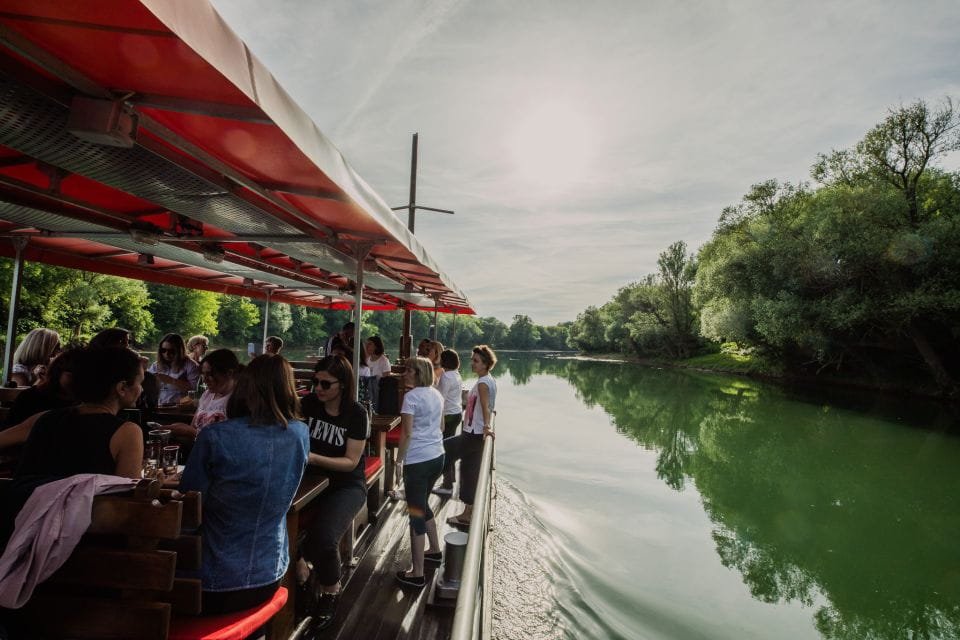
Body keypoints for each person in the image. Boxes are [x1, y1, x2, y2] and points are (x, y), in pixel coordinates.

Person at [179, 355, 308, 615]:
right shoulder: (299, 434)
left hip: (211, 583)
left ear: (245, 387)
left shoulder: (214, 436)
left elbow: (188, 507)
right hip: (271, 573)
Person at [0, 347, 146, 544]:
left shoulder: (44, 419)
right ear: (121, 388)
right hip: (87, 547)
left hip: (20, 536)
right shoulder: (127, 433)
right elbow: (125, 503)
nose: (142, 390)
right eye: (140, 382)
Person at [298, 355, 369, 630]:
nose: (318, 388)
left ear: (343, 385)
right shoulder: (306, 405)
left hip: (346, 485)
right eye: (315, 382)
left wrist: (312, 457)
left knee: (325, 539)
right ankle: (301, 566)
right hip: (309, 480)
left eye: (326, 384)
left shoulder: (356, 413)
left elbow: (351, 461)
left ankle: (330, 589)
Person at [395, 356, 445, 588]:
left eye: (408, 370)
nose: (404, 373)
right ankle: (434, 550)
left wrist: (398, 461)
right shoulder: (437, 395)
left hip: (417, 461)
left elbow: (406, 434)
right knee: (422, 505)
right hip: (438, 456)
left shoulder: (411, 397)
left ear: (417, 373)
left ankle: (417, 573)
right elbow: (442, 427)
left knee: (415, 514)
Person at [444, 345, 497, 528]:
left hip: (473, 434)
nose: (472, 363)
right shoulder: (488, 380)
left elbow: (485, 406)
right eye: (472, 360)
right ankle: (468, 512)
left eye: (476, 361)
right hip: (473, 432)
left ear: (485, 364)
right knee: (469, 471)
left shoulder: (483, 383)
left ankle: (430, 487)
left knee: (443, 449)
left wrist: (487, 426)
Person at [166, 349, 241, 439]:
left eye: (210, 374)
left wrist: (191, 432)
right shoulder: (207, 395)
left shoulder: (239, 400)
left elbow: (231, 440)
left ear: (229, 373)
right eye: (203, 374)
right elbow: (193, 427)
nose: (205, 380)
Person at [2, 347, 81, 429]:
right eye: (72, 372)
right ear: (58, 371)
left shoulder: (85, 404)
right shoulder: (31, 397)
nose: (79, 378)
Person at [433, 349, 463, 496]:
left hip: (448, 415)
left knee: (445, 449)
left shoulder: (445, 376)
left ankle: (447, 484)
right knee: (448, 448)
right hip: (456, 413)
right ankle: (449, 480)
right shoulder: (456, 374)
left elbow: (441, 399)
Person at [148, 334, 199, 406]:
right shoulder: (155, 365)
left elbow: (195, 390)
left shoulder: (191, 365)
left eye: (171, 351)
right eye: (163, 350)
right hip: (159, 406)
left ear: (179, 350)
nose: (167, 354)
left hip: (180, 408)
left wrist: (171, 380)